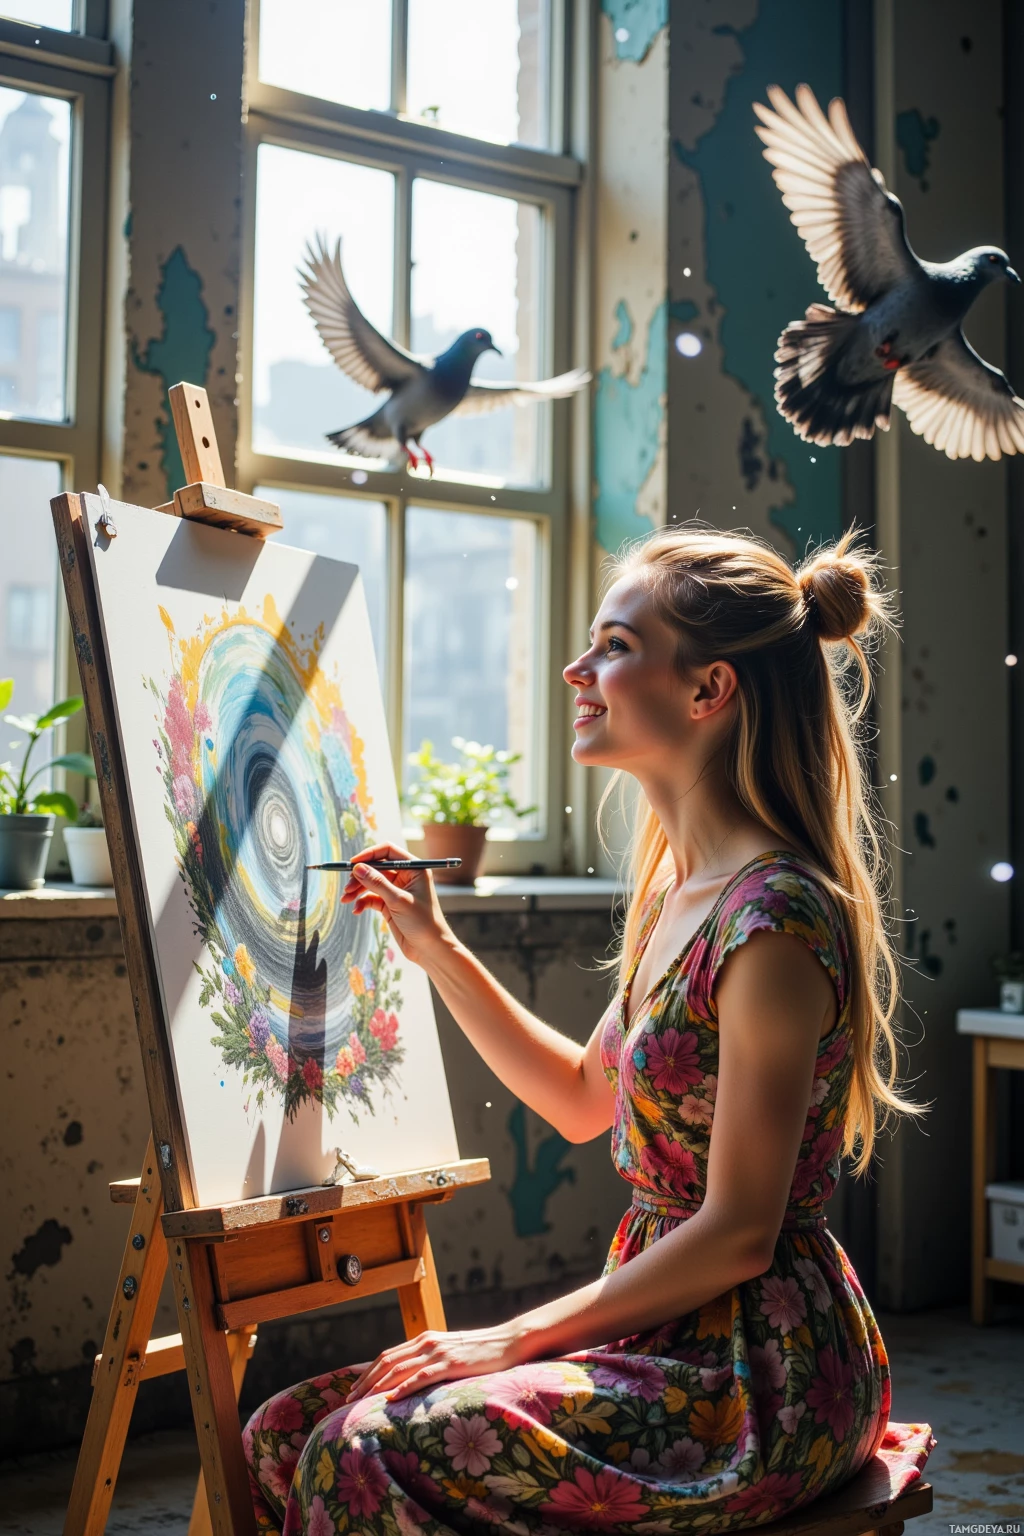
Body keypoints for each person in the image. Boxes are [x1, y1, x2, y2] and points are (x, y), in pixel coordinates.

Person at [245, 527, 934, 1535]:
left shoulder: (773, 920)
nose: (577, 668)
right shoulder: (678, 898)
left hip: (759, 1370)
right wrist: (433, 946)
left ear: (708, 693)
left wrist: (508, 1337)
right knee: (280, 1428)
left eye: (614, 645)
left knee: (359, 1451)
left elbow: (741, 1233)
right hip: (660, 1328)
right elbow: (578, 1099)